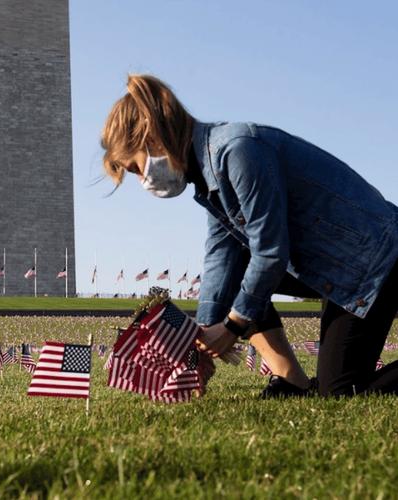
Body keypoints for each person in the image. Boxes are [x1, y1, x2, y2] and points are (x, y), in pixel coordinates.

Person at [101, 74, 398, 397]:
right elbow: (221, 258)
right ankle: (293, 381)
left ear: (152, 135)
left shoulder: (238, 150)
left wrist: (231, 328)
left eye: (135, 168)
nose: (143, 180)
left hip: (376, 261)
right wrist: (201, 340)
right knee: (236, 268)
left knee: (342, 393)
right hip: (338, 268)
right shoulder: (208, 174)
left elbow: (270, 251)